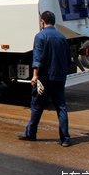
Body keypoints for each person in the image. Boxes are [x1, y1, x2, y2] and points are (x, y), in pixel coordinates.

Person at [19, 10, 72, 147]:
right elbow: (68, 58)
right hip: (59, 77)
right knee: (61, 107)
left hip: (44, 78)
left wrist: (35, 75)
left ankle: (31, 134)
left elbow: (37, 58)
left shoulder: (40, 36)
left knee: (37, 106)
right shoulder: (62, 37)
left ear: (42, 22)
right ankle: (65, 138)